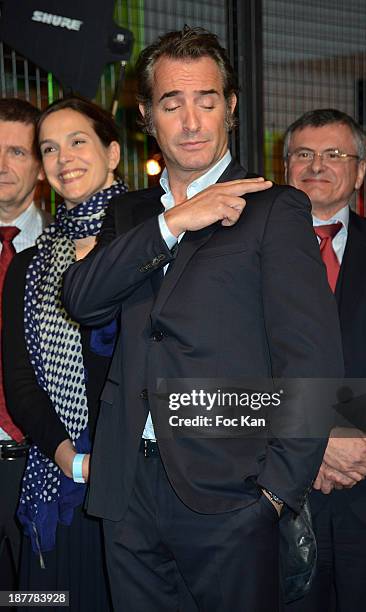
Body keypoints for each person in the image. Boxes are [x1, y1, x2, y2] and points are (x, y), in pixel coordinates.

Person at [62, 27, 344, 612]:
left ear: (230, 108)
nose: (191, 121)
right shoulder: (131, 214)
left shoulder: (274, 207)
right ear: (147, 115)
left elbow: (312, 362)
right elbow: (84, 301)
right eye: (172, 103)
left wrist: (275, 493)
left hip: (233, 494)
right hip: (127, 492)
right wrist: (175, 221)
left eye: (206, 101)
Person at [3, 96, 126, 611]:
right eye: (50, 147)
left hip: (142, 483)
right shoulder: (31, 265)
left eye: (78, 142)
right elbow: (22, 382)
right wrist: (72, 461)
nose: (63, 158)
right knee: (45, 603)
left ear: (112, 153)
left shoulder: (156, 239)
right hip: (57, 478)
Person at [284, 108, 366, 612]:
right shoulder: (245, 254)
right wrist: (317, 442)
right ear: (285, 167)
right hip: (283, 495)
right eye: (303, 154)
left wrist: (350, 433)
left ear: (359, 172)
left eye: (334, 154)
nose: (317, 165)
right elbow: (241, 360)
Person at [0, 98, 51, 603]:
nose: (1, 165)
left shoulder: (75, 250)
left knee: (40, 599)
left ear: (39, 165)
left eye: (16, 151)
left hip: (42, 466)